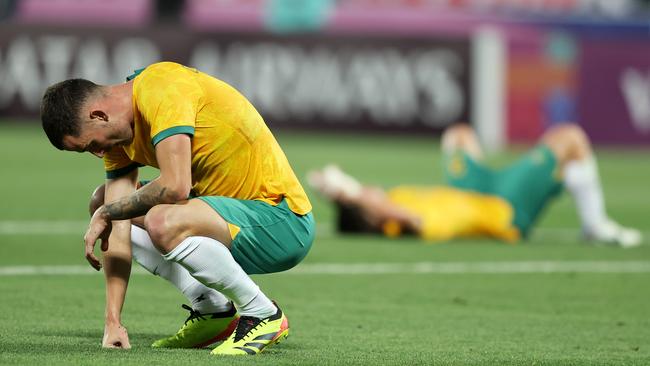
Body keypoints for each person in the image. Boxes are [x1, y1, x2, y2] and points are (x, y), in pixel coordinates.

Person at [40, 62, 315, 355]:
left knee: (159, 218)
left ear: (98, 115)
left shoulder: (161, 87)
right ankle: (211, 309)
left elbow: (175, 186)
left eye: (90, 145)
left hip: (280, 221)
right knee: (102, 199)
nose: (98, 153)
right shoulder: (118, 136)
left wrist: (108, 213)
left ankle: (262, 313)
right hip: (222, 218)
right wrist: (113, 321)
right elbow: (116, 224)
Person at [308, 123, 641, 247]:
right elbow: (382, 209)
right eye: (363, 197)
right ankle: (595, 226)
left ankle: (565, 181)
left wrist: (338, 192)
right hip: (504, 209)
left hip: (476, 189)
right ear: (374, 217)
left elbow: (370, 202)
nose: (369, 190)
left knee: (459, 134)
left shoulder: (389, 203)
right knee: (570, 139)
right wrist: (346, 193)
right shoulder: (403, 220)